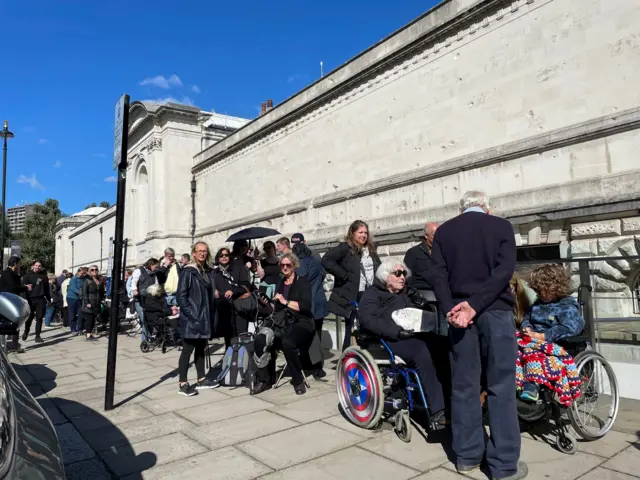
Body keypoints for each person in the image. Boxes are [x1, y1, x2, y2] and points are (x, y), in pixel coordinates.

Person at [428, 191, 526, 480]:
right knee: (501, 386)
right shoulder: (501, 226)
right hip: (495, 312)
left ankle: (467, 456)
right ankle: (504, 464)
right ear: (487, 208)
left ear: (461, 210)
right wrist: (475, 305)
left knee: (464, 386)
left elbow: (438, 276)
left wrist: (452, 309)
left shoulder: (444, 231)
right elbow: (504, 272)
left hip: (458, 316)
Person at [359, 259, 447, 427]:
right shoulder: (373, 294)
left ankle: (451, 399)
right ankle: (438, 411)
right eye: (397, 273)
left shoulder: (407, 292)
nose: (402, 277)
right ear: (385, 276)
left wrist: (422, 302)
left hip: (415, 335)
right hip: (390, 340)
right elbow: (368, 321)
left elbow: (422, 316)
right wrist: (396, 332)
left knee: (443, 345)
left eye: (404, 274)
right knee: (422, 351)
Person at [251, 252, 316, 396]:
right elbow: (277, 308)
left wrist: (285, 301)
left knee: (288, 342)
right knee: (260, 339)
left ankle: (297, 380)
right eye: (282, 265)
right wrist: (267, 302)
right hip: (282, 321)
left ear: (294, 266)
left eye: (288, 265)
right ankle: (264, 380)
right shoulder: (281, 282)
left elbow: (305, 307)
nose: (285, 267)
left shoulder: (302, 281)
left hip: (301, 322)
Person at [519, 264, 584, 403]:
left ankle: (532, 384)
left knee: (534, 355)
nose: (542, 294)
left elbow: (570, 327)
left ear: (556, 288)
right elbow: (527, 319)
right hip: (533, 340)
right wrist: (527, 328)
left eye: (545, 291)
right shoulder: (537, 304)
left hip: (557, 345)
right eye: (539, 291)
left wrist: (544, 336)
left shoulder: (567, 306)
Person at [322, 220, 381, 351]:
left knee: (367, 327)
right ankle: (347, 359)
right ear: (352, 233)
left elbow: (379, 268)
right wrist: (343, 275)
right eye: (360, 232)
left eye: (366, 232)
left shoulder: (370, 249)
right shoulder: (345, 248)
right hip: (354, 294)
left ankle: (363, 357)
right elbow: (326, 260)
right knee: (352, 327)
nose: (364, 235)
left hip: (370, 293)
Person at [176, 241, 218, 396]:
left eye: (205, 251)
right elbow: (181, 297)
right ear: (193, 253)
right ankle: (183, 383)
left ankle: (201, 379)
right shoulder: (188, 272)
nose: (202, 253)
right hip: (193, 318)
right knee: (187, 350)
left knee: (200, 349)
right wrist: (193, 315)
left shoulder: (204, 271)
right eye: (199, 251)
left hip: (202, 318)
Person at [292, 235, 328, 378]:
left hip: (304, 304)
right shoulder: (316, 259)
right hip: (317, 301)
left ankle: (309, 364)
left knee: (306, 334)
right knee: (316, 333)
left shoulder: (295, 264)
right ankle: (317, 367)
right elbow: (322, 275)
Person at [212, 247, 251, 348]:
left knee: (242, 336)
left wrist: (233, 291)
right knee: (228, 337)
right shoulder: (215, 273)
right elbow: (211, 287)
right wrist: (214, 290)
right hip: (225, 308)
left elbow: (246, 285)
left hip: (239, 306)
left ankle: (243, 359)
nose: (224, 257)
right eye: (221, 255)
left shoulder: (238, 267)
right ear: (218, 258)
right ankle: (230, 359)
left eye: (226, 255)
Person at [0, 255, 30, 352]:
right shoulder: (9, 274)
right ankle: (14, 346)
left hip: (5, 302)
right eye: (18, 264)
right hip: (10, 302)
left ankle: (9, 345)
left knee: (7, 325)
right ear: (15, 264)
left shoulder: (6, 273)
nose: (19, 266)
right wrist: (25, 287)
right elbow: (13, 287)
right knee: (14, 324)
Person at [131, 258, 160, 343]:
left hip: (149, 299)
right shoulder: (139, 271)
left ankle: (150, 336)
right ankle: (145, 340)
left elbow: (156, 284)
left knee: (149, 318)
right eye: (156, 266)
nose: (157, 268)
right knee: (144, 319)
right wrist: (134, 290)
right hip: (139, 299)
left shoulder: (154, 274)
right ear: (151, 265)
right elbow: (134, 281)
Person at [21, 260, 50, 343]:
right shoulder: (27, 276)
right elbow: (23, 289)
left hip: (40, 299)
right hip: (30, 299)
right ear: (33, 266)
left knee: (39, 318)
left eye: (39, 265)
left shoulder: (44, 276)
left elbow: (47, 289)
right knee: (29, 318)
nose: (38, 267)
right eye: (36, 265)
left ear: (41, 267)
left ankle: (38, 336)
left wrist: (49, 299)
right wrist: (25, 299)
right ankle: (26, 331)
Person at [81, 265, 104, 341]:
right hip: (90, 301)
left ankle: (90, 333)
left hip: (97, 301)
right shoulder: (87, 280)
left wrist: (101, 299)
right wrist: (87, 302)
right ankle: (88, 335)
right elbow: (84, 292)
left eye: (96, 269)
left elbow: (101, 291)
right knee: (89, 319)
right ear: (89, 271)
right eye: (92, 270)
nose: (94, 271)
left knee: (93, 318)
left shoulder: (100, 279)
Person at [66, 267, 87, 336]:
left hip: (79, 298)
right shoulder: (73, 279)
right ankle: (73, 329)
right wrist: (82, 293)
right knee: (72, 314)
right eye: (82, 273)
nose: (83, 275)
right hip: (72, 298)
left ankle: (80, 328)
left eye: (84, 273)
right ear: (78, 272)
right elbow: (73, 288)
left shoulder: (83, 279)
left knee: (80, 313)